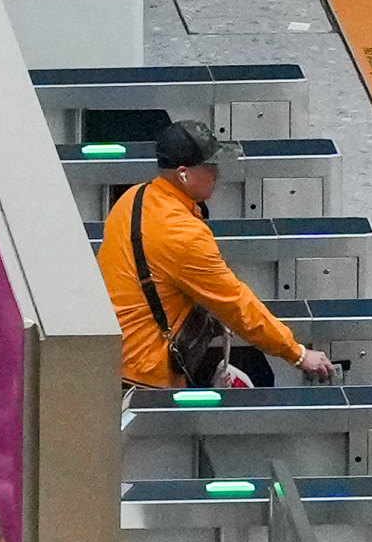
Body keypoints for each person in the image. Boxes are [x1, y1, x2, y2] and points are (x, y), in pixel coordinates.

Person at [100, 123, 333, 393]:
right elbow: (236, 304)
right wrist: (298, 354)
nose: (217, 174)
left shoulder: (134, 198)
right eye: (209, 167)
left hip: (112, 358)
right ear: (184, 174)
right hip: (145, 374)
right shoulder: (182, 234)